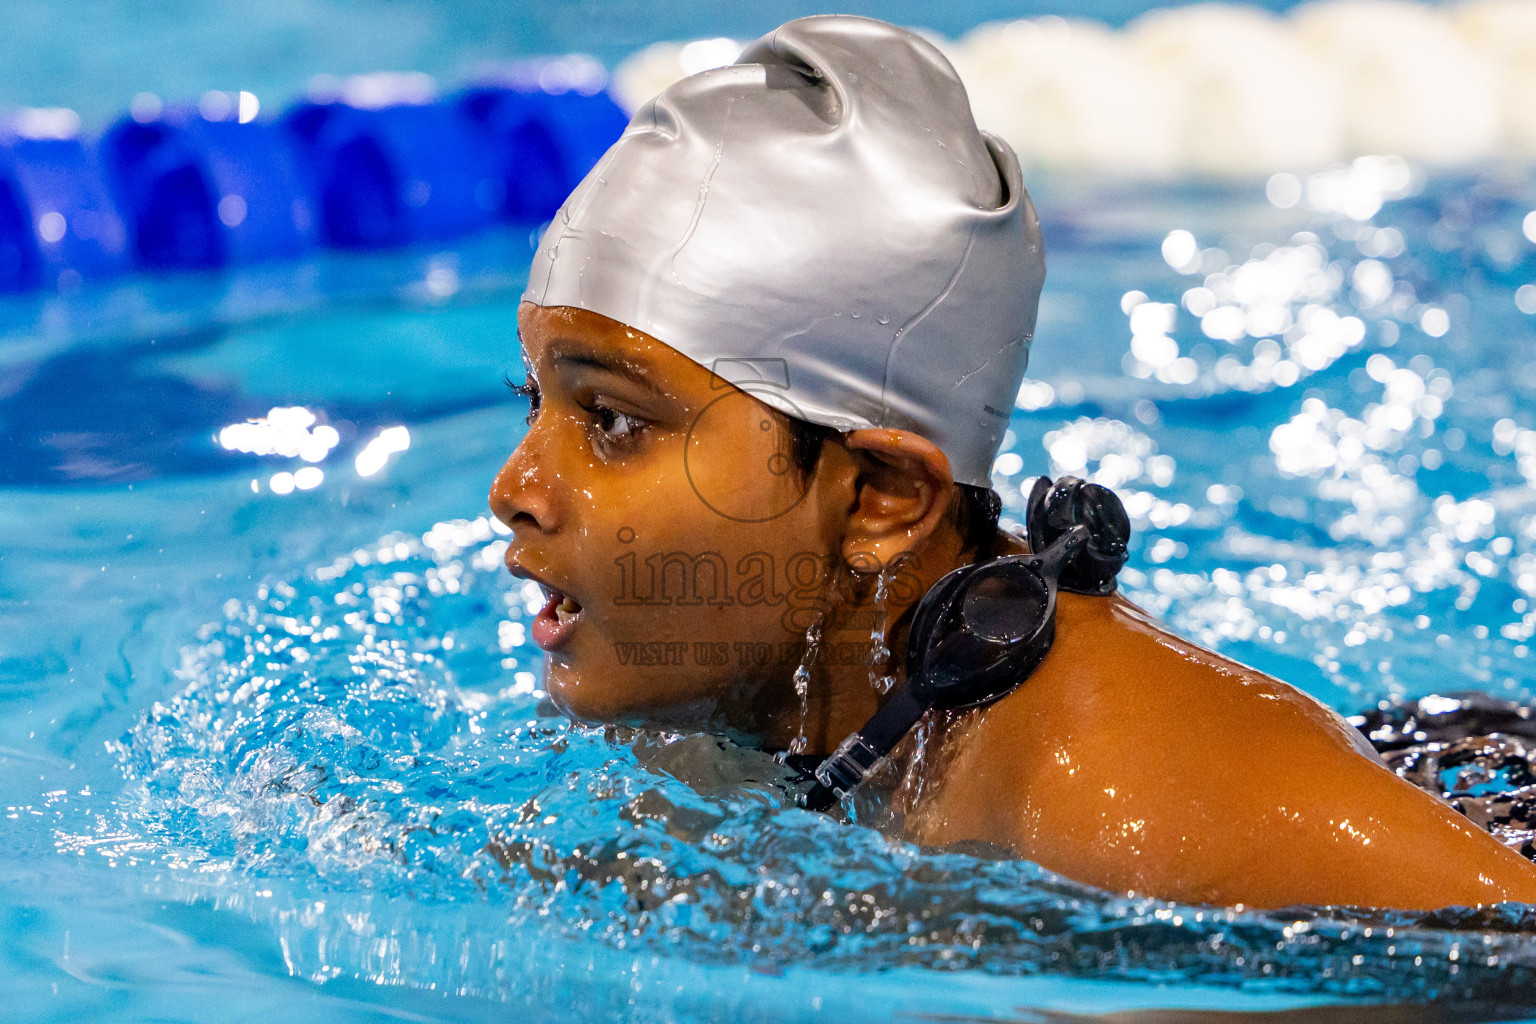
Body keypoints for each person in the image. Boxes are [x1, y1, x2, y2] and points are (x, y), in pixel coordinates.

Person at [488, 14, 1536, 910]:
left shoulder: (1114, 811)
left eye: (615, 420)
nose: (515, 489)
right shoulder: (723, 672)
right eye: (536, 399)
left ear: (882, 499)